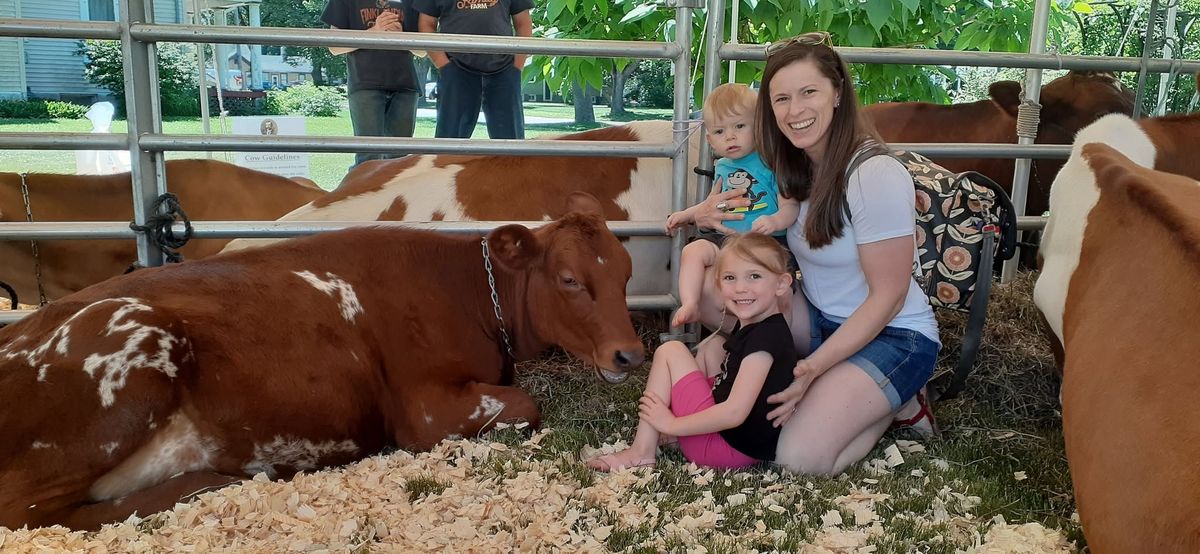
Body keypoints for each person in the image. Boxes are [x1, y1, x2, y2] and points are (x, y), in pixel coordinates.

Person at [690, 32, 940, 475]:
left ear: (838, 92)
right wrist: (709, 214)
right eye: (781, 98)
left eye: (809, 92)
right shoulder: (792, 167)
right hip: (819, 315)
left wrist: (811, 369)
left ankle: (898, 401)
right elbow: (752, 249)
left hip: (893, 333)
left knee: (798, 459)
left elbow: (889, 297)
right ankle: (848, 391)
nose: (795, 110)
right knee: (712, 288)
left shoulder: (873, 173)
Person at [586, 233, 798, 472]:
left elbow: (735, 412)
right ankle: (677, 433)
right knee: (715, 345)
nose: (740, 288)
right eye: (730, 278)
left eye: (754, 277)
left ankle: (641, 451)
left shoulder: (765, 340)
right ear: (719, 284)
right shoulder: (764, 325)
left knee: (671, 350)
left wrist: (672, 423)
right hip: (736, 445)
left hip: (724, 449)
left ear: (781, 284)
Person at [666, 83, 799, 330]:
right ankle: (690, 303)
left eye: (739, 126)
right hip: (727, 241)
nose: (730, 136)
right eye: (719, 131)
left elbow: (790, 206)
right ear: (709, 140)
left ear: (758, 126)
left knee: (780, 293)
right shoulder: (723, 166)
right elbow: (717, 204)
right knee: (692, 252)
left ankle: (780, 338)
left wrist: (775, 221)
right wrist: (686, 215)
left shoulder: (771, 163)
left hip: (766, 244)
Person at [321, 0, 421, 166]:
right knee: (368, 157)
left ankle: (393, 192)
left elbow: (423, 51)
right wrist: (374, 31)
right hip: (365, 84)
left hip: (405, 85)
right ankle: (359, 191)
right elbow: (334, 46)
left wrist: (403, 36)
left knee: (400, 158)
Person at [414, 0, 533, 139]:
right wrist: (444, 65)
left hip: (504, 72)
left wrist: (516, 67)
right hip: (456, 72)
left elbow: (523, 23)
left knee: (511, 146)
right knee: (448, 146)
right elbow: (426, 24)